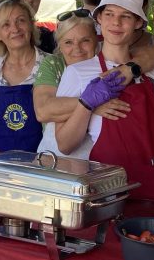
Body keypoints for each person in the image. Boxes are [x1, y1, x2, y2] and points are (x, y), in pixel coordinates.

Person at [56, 0, 154, 221]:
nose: (116, 22)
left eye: (125, 16)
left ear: (138, 24)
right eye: (109, 14)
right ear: (99, 19)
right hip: (112, 198)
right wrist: (87, 104)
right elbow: (65, 144)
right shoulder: (78, 73)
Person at [0, 0, 51, 152]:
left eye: (21, 20)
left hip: (41, 164)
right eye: (6, 25)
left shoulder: (52, 66)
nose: (15, 29)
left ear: (31, 25)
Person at [33, 10, 103, 157]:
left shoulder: (105, 64)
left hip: (101, 156)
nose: (77, 49)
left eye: (85, 41)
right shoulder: (54, 64)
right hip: (54, 157)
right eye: (68, 42)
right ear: (60, 45)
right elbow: (43, 111)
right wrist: (95, 104)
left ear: (96, 41)